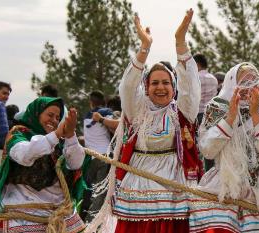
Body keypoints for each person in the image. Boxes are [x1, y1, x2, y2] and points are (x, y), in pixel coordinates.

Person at [86, 9, 203, 233]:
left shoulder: (181, 113)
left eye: (166, 83)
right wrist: (144, 47)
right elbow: (128, 86)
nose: (160, 87)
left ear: (174, 87)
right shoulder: (137, 112)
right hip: (139, 182)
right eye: (155, 83)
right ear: (147, 88)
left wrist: (180, 42)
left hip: (173, 185)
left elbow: (191, 86)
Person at [189, 63, 259, 233]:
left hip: (258, 189)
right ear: (233, 82)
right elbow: (208, 150)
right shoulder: (217, 107)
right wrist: (230, 118)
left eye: (253, 83)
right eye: (244, 83)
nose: (248, 89)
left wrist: (255, 116)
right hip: (223, 185)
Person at [0, 97, 86, 232]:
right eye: (50, 115)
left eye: (58, 117)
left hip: (59, 214)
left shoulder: (61, 142)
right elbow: (25, 154)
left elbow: (76, 164)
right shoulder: (18, 134)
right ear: (36, 114)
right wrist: (56, 135)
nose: (54, 120)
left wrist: (70, 136)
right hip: (23, 212)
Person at [81, 91, 114, 222]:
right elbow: (114, 128)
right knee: (100, 193)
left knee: (88, 192)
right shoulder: (106, 112)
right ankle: (91, 223)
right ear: (103, 101)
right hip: (104, 157)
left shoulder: (86, 116)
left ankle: (82, 220)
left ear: (91, 102)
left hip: (90, 158)